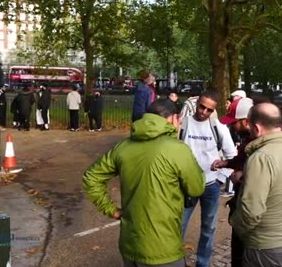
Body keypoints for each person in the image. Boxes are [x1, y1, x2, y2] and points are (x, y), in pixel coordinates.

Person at [83, 99, 205, 267]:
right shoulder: (177, 149)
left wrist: (111, 210)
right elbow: (196, 187)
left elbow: (91, 177)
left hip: (130, 245)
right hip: (164, 248)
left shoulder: (123, 147)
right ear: (173, 119)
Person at [230, 103, 282, 267]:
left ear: (256, 127)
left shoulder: (261, 157)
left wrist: (235, 223)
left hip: (265, 248)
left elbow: (251, 212)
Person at [179, 90, 237, 267]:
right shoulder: (183, 124)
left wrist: (221, 176)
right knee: (177, 227)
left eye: (209, 110)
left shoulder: (219, 128)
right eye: (201, 107)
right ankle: (175, 262)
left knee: (209, 229)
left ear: (214, 110)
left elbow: (233, 156)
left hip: (211, 185)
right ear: (197, 104)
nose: (203, 112)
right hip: (186, 185)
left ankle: (202, 263)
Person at [213, 97, 254, 267]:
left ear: (245, 121)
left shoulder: (256, 143)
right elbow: (242, 157)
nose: (230, 126)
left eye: (233, 122)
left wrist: (240, 177)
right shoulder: (248, 139)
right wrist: (227, 163)